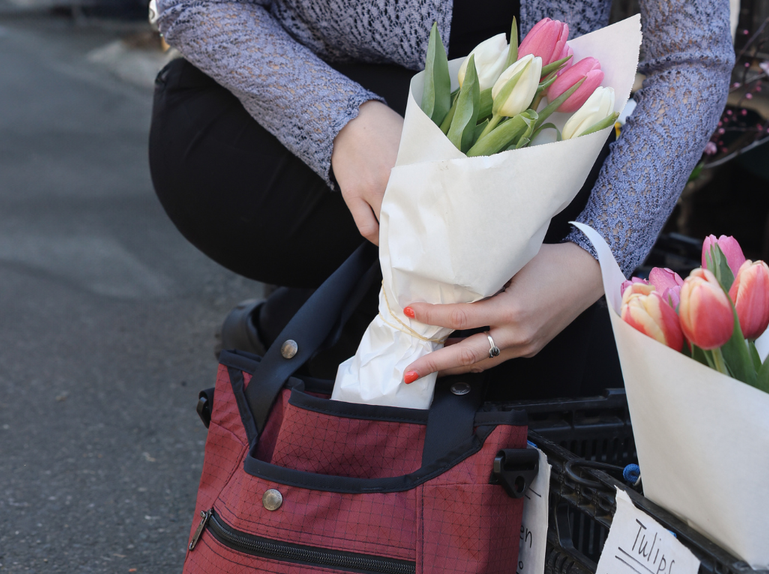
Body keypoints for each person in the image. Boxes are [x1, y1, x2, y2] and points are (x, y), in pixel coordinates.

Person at [148, 0, 733, 399]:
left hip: (525, 149)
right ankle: (314, 342)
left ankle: (300, 329)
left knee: (566, 361)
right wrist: (339, 122)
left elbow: (690, 57)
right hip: (272, 119)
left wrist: (595, 257)